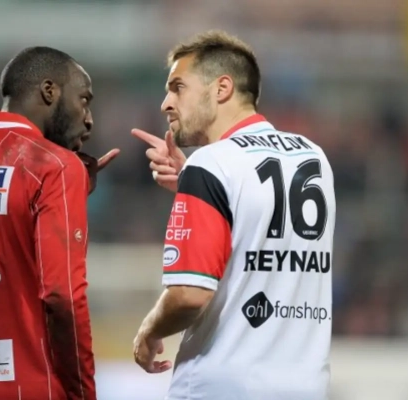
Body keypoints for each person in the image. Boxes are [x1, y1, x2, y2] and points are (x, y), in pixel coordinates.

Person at [132, 30, 335, 400]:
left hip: (223, 385)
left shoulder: (212, 164)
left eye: (178, 88)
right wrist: (192, 184)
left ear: (221, 88)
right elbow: (262, 232)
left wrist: (150, 329)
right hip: (305, 386)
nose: (166, 104)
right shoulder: (313, 158)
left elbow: (189, 295)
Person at [0, 46, 118, 400]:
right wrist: (83, 392)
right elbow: (63, 295)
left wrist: (67, 198)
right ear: (49, 91)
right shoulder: (55, 166)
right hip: (30, 387)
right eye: (84, 100)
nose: (89, 119)